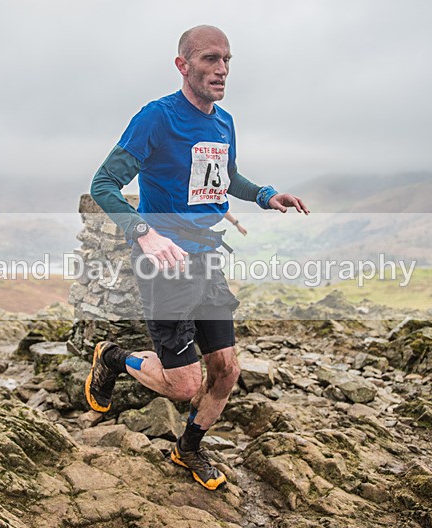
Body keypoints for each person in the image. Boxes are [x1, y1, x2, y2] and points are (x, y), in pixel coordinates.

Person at [87, 24, 309, 491]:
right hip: (163, 261)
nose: (222, 69)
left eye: (227, 60)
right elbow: (103, 185)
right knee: (185, 385)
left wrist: (267, 195)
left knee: (227, 369)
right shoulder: (156, 118)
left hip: (207, 257)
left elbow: (227, 177)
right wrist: (143, 233)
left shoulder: (223, 121)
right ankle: (112, 357)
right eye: (210, 59)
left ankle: (188, 448)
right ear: (183, 65)